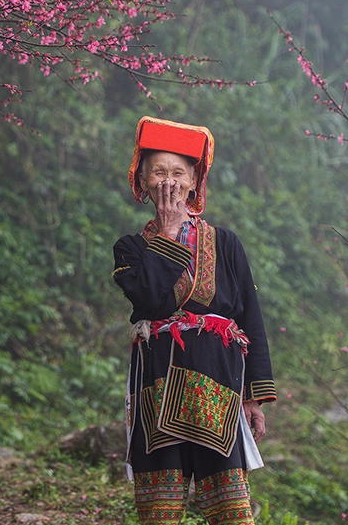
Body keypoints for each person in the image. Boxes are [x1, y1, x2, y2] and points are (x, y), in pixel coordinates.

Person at [113, 116, 276, 525]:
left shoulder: (226, 243)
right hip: (157, 385)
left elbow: (250, 319)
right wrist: (167, 233)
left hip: (217, 384)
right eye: (159, 173)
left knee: (231, 511)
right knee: (160, 512)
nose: (168, 182)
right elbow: (151, 302)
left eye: (178, 174)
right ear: (144, 183)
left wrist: (253, 396)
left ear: (193, 183)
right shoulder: (130, 249)